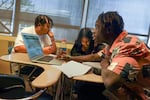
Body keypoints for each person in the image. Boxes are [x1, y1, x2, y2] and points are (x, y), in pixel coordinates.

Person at [94, 11, 150, 99]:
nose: (94, 31)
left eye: (97, 27)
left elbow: (110, 82)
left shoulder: (127, 46)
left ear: (108, 30)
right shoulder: (113, 44)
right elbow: (96, 56)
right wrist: (72, 58)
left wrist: (104, 64)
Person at [12, 15, 57, 83]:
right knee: (46, 71)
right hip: (22, 65)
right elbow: (17, 48)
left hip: (35, 62)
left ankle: (40, 90)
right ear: (39, 25)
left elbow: (53, 51)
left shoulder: (45, 35)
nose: (49, 29)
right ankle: (39, 90)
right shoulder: (26, 31)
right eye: (47, 26)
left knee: (53, 69)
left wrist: (52, 38)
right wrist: (41, 50)